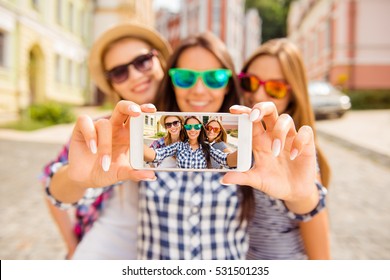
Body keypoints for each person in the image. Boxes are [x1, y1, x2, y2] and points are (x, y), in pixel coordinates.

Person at [45, 32, 326, 260]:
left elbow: (300, 207)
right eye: (185, 77)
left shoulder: (248, 144)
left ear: (229, 84)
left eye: (215, 77)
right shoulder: (142, 135)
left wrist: (303, 194)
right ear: (172, 81)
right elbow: (60, 193)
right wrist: (76, 177)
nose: (199, 90)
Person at [41, 21, 172, 259]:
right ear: (112, 84)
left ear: (160, 60)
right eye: (119, 72)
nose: (135, 76)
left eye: (142, 61)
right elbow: (50, 184)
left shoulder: (192, 121)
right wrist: (72, 247)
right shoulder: (103, 129)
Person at [238, 38, 331, 259]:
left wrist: (302, 197)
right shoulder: (234, 138)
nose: (258, 96)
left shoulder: (295, 153)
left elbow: (321, 256)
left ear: (293, 95)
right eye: (250, 82)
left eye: (275, 88)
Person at [144, 116, 236, 169]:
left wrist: (248, 148)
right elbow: (157, 155)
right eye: (189, 127)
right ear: (185, 128)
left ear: (200, 129)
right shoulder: (178, 145)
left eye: (196, 126)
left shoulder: (207, 147)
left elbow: (225, 159)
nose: (192, 129)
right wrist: (133, 142)